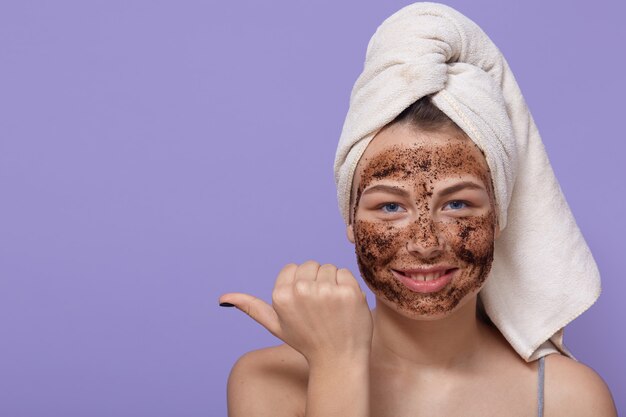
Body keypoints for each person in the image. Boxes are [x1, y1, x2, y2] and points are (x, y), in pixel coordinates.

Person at [219, 3, 617, 416]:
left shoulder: (570, 398)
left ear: (498, 216)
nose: (426, 243)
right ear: (351, 219)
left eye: (458, 204)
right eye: (390, 205)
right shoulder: (269, 380)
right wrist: (338, 364)